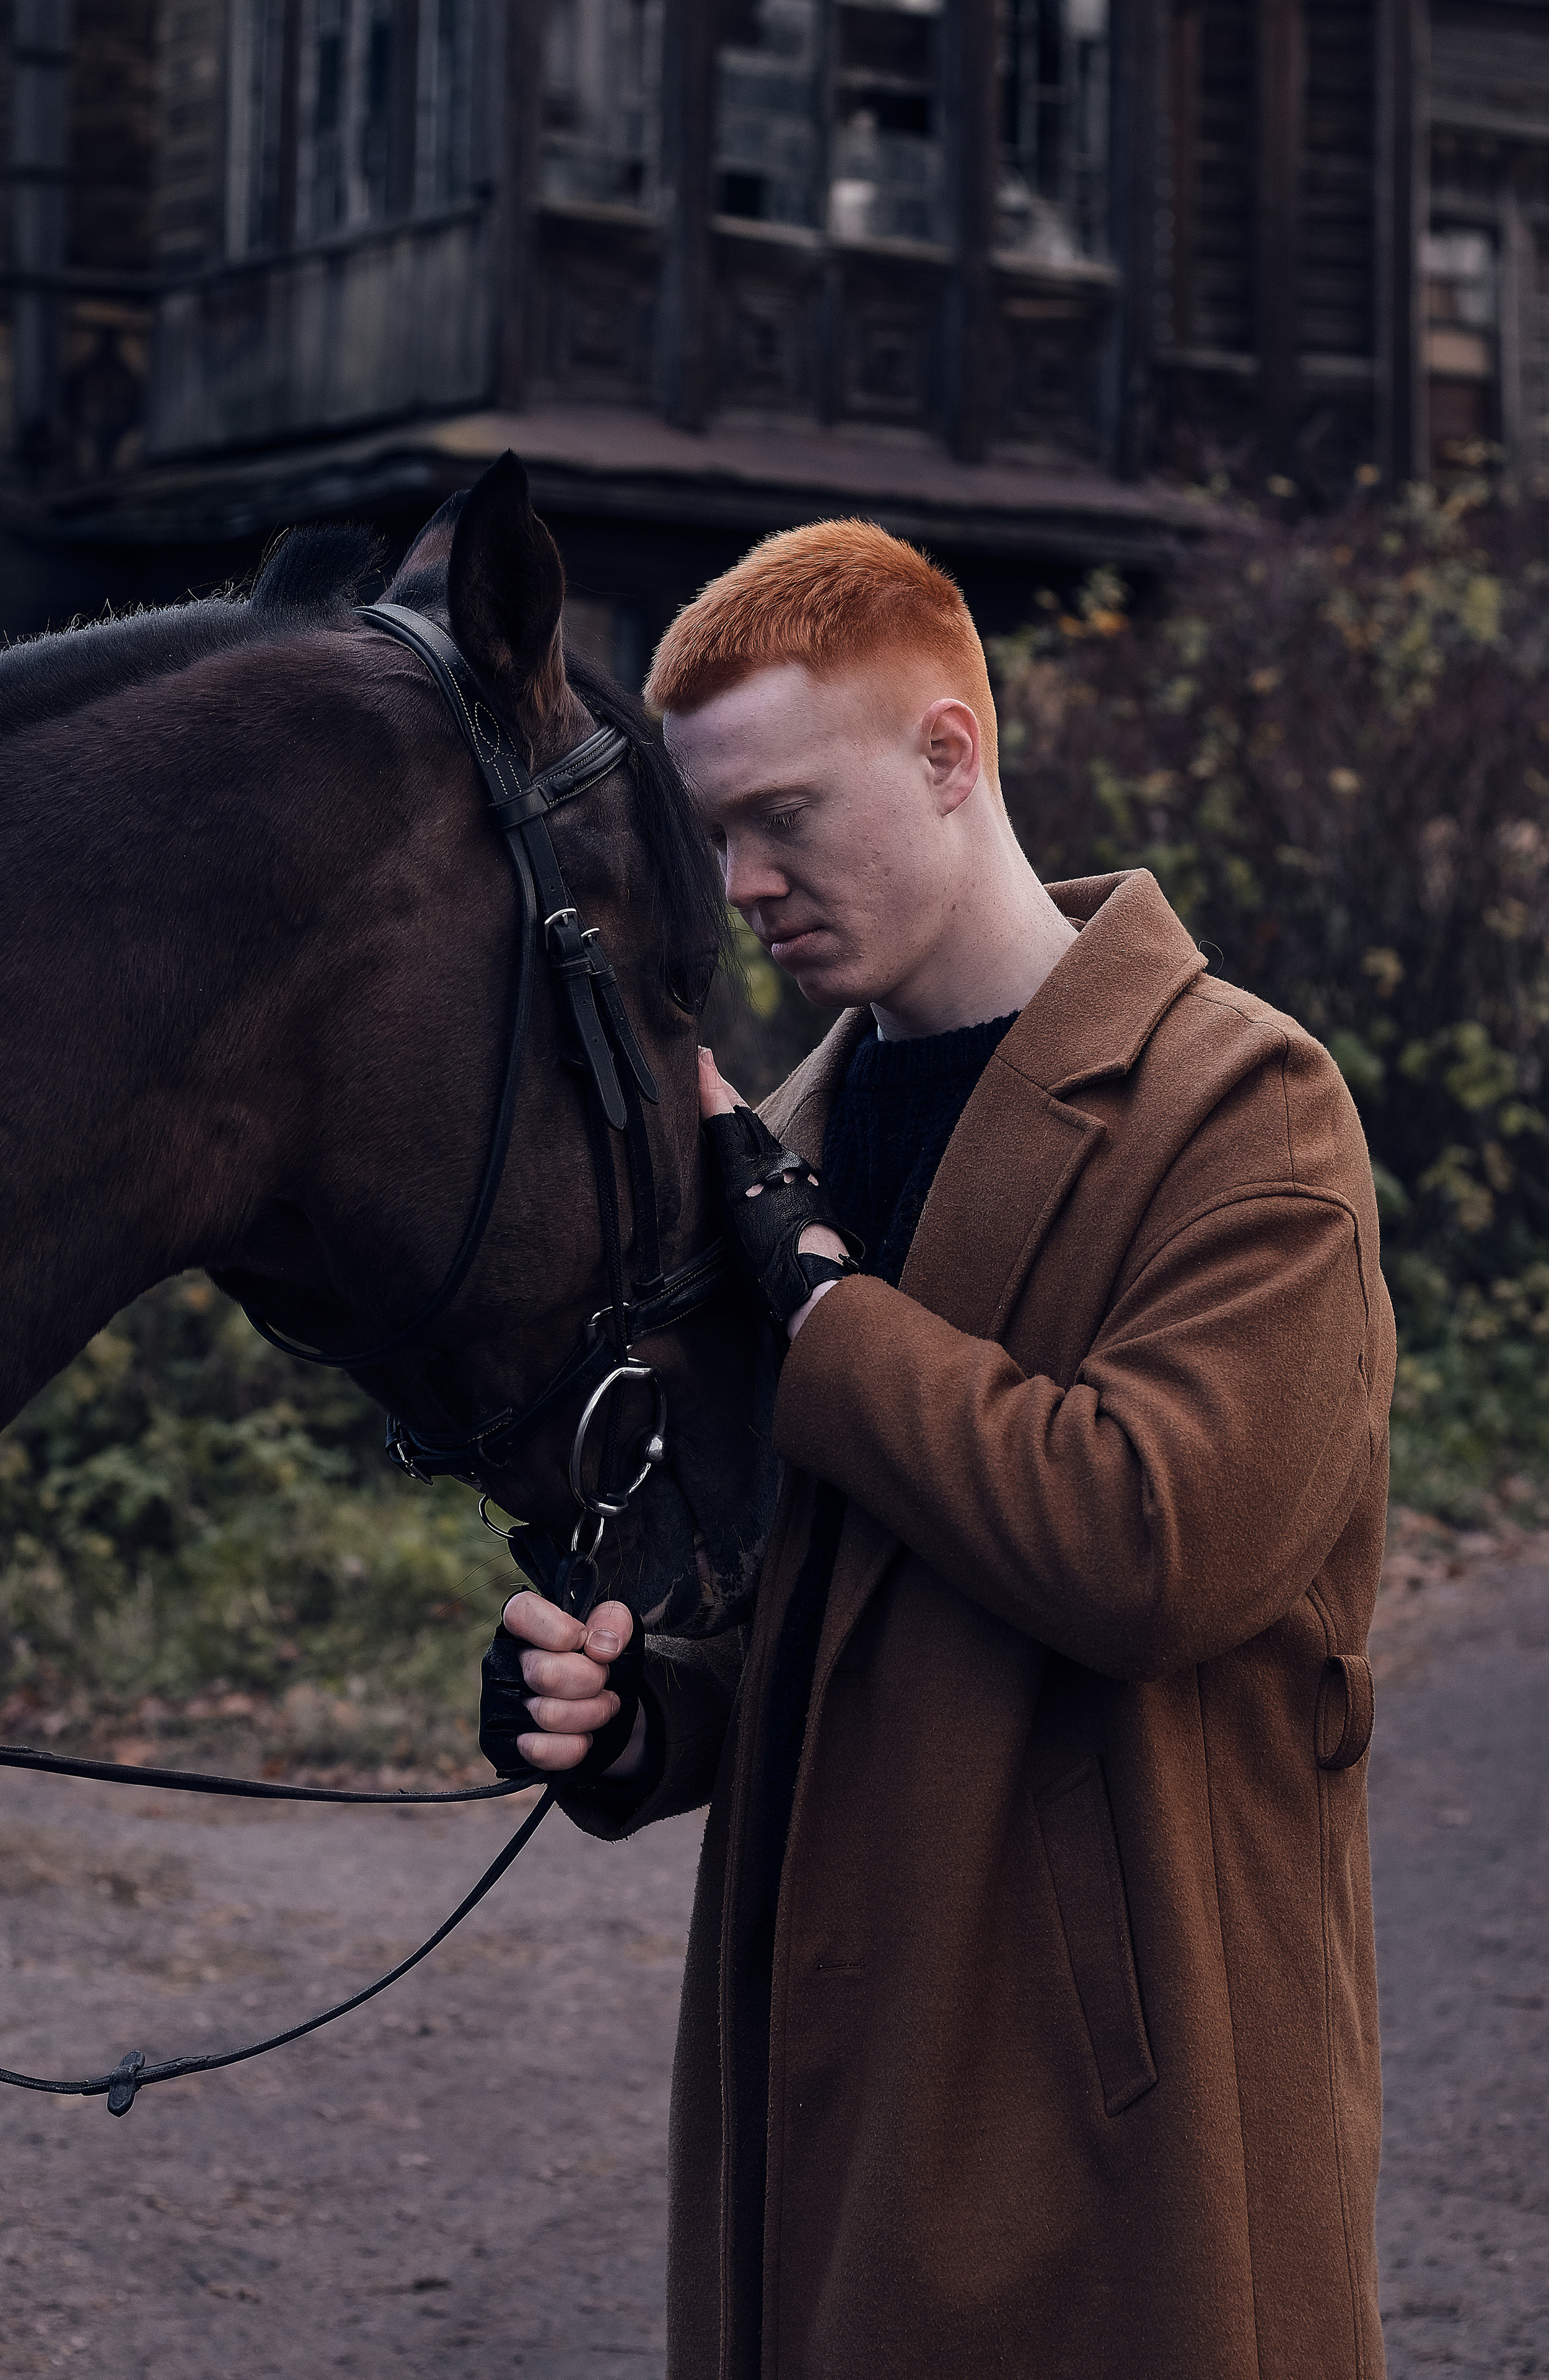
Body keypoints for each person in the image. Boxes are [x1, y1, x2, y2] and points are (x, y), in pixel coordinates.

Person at [495, 521, 1396, 2380]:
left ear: (948, 753)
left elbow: (1154, 1543)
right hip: (826, 2072)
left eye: (786, 817)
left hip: (1109, 2117)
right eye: (715, 837)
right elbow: (816, 1613)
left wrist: (823, 1310)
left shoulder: (1245, 1106)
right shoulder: (791, 1148)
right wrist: (643, 1711)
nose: (745, 883)